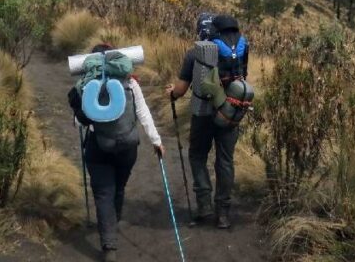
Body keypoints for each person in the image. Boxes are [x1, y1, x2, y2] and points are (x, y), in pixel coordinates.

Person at [69, 43, 165, 262]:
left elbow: (78, 122)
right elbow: (142, 112)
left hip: (97, 147)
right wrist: (156, 141)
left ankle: (109, 246)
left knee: (103, 193)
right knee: (118, 188)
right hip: (127, 147)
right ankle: (114, 219)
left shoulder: (86, 85)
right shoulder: (130, 83)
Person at [166, 13, 247, 230]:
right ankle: (223, 214)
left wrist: (172, 93)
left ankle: (204, 205)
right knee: (225, 160)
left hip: (202, 113)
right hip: (230, 111)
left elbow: (181, 90)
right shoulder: (237, 51)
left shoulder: (194, 53)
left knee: (198, 155)